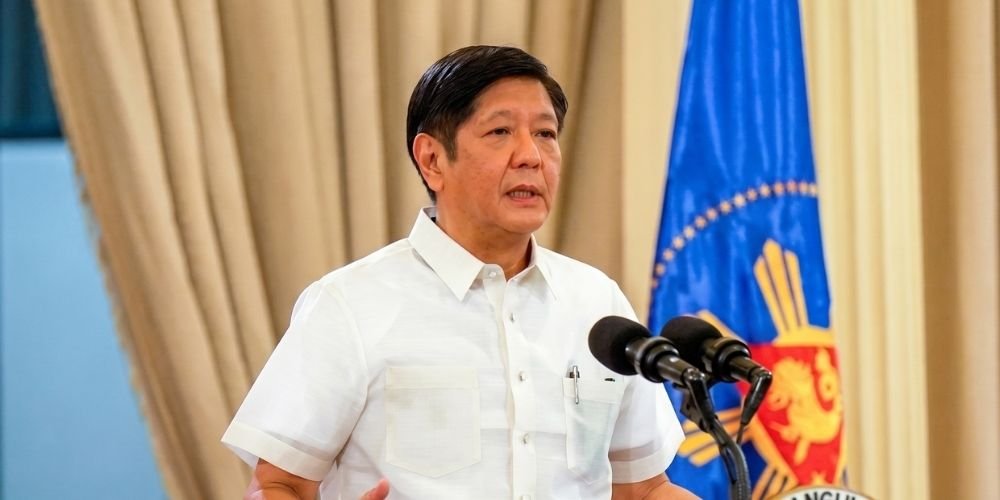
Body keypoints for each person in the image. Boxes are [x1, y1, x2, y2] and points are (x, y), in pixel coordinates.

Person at [223, 45, 695, 500]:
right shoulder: (349, 304)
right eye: (500, 132)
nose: (531, 156)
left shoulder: (598, 303)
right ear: (432, 160)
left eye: (546, 134)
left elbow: (642, 489)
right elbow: (278, 484)